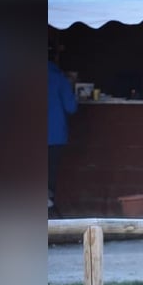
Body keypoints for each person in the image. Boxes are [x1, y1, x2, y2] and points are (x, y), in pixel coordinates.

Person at [48, 47, 77, 213]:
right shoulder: (59, 79)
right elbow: (71, 107)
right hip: (54, 136)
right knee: (49, 174)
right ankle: (50, 209)